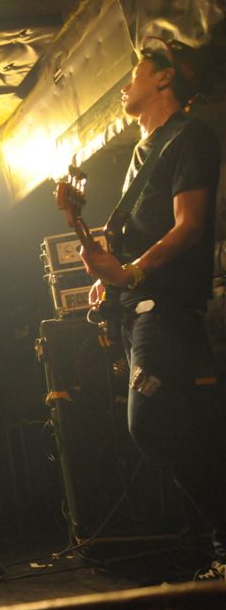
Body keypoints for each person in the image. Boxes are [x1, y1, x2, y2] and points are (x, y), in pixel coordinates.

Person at [80, 39, 226, 580]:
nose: (125, 84)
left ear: (164, 79)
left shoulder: (189, 136)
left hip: (166, 304)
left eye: (136, 72)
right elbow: (143, 234)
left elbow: (189, 227)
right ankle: (218, 550)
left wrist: (133, 273)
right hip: (138, 304)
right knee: (180, 424)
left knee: (153, 425)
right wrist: (111, 277)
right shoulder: (145, 150)